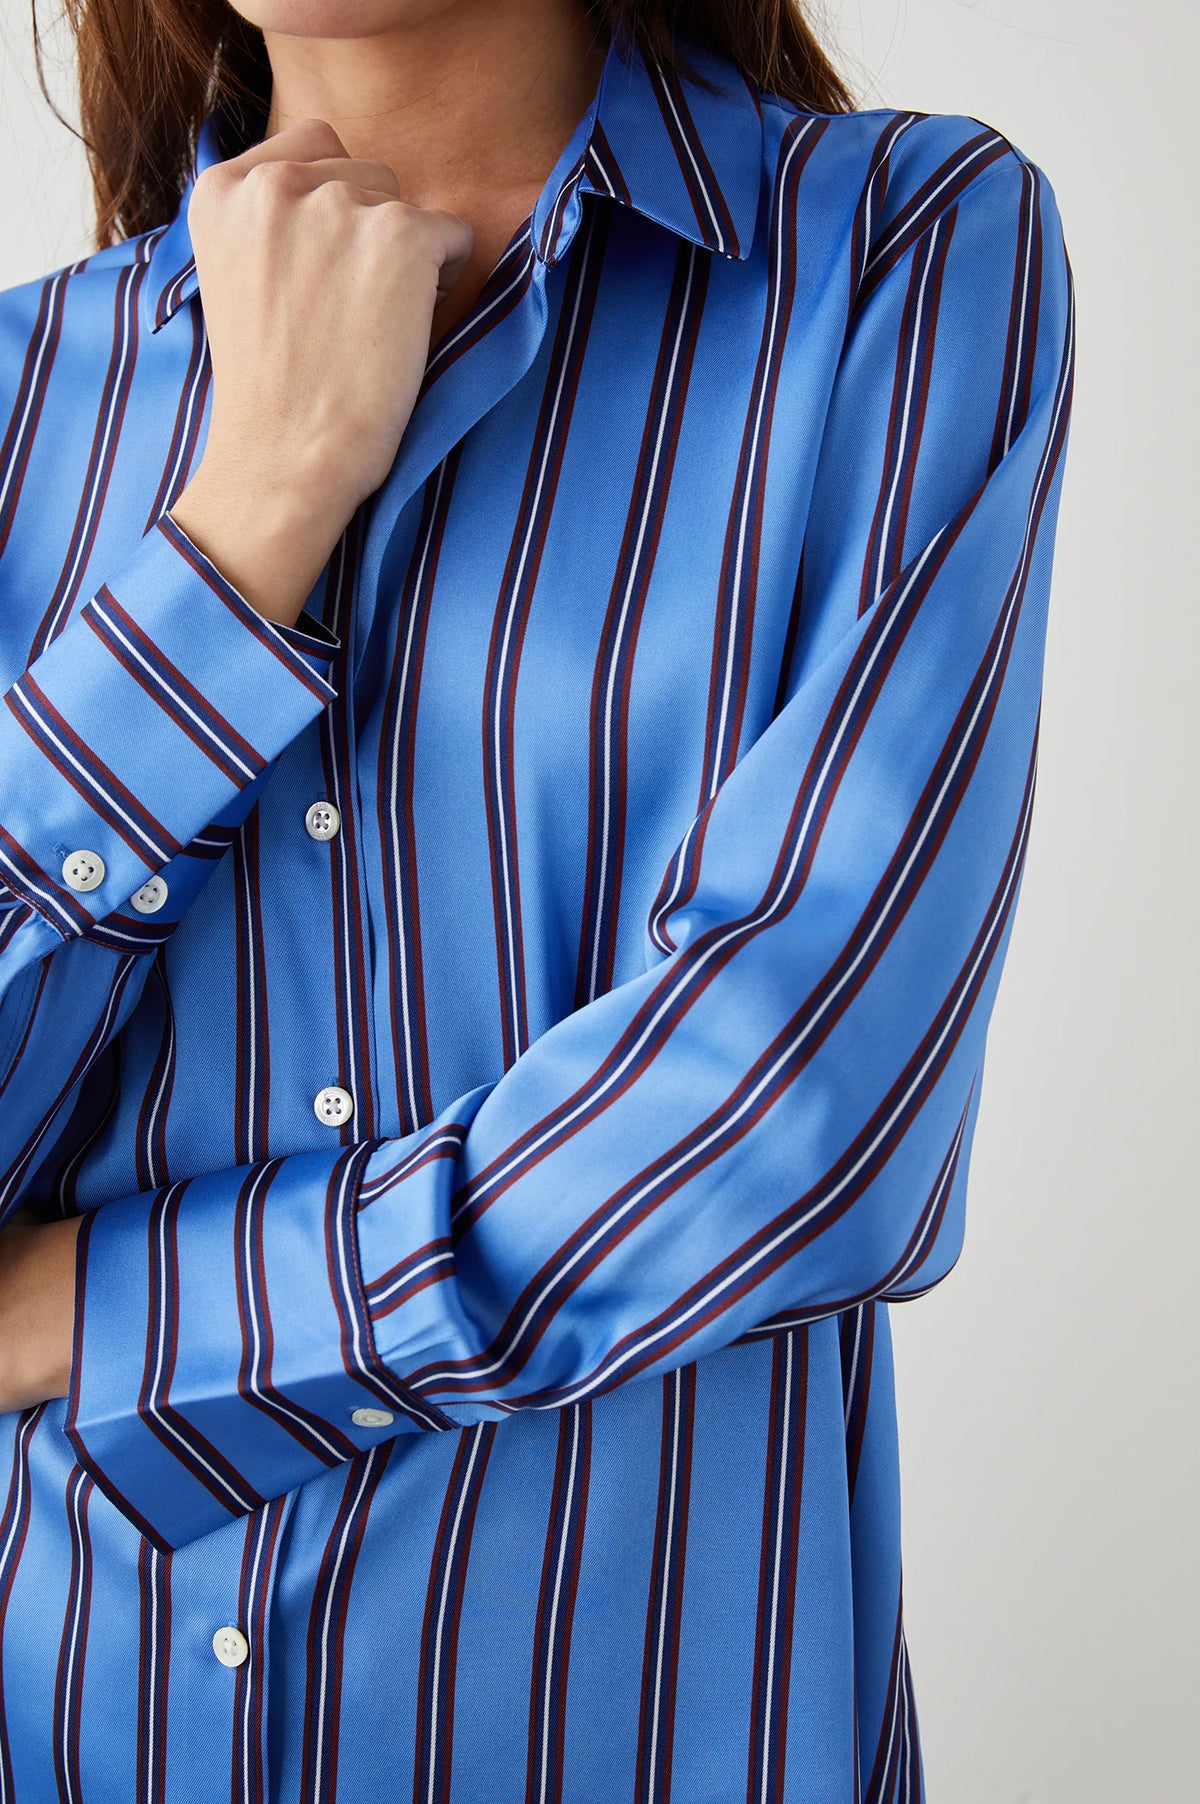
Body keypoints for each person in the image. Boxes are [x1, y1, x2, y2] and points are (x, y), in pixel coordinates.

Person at [0, 0, 1075, 1796]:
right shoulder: (25, 395)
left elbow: (803, 1109)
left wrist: (103, 1307)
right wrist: (248, 516)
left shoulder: (899, 254)